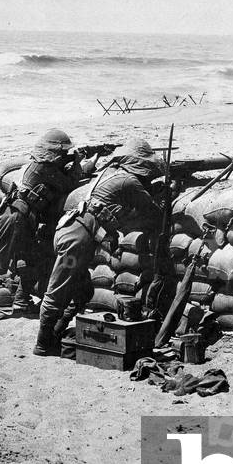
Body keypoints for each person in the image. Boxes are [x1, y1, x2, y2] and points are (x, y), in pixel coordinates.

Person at [34, 138, 163, 357]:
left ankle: (55, 333)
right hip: (76, 243)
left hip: (69, 234)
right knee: (58, 290)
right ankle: (43, 344)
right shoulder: (129, 182)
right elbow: (152, 211)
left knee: (83, 290)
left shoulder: (108, 172)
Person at [0, 129, 94, 315]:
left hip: (24, 218)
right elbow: (68, 183)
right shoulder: (43, 168)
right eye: (62, 154)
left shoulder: (43, 167)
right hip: (15, 217)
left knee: (30, 261)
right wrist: (78, 162)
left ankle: (21, 301)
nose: (64, 157)